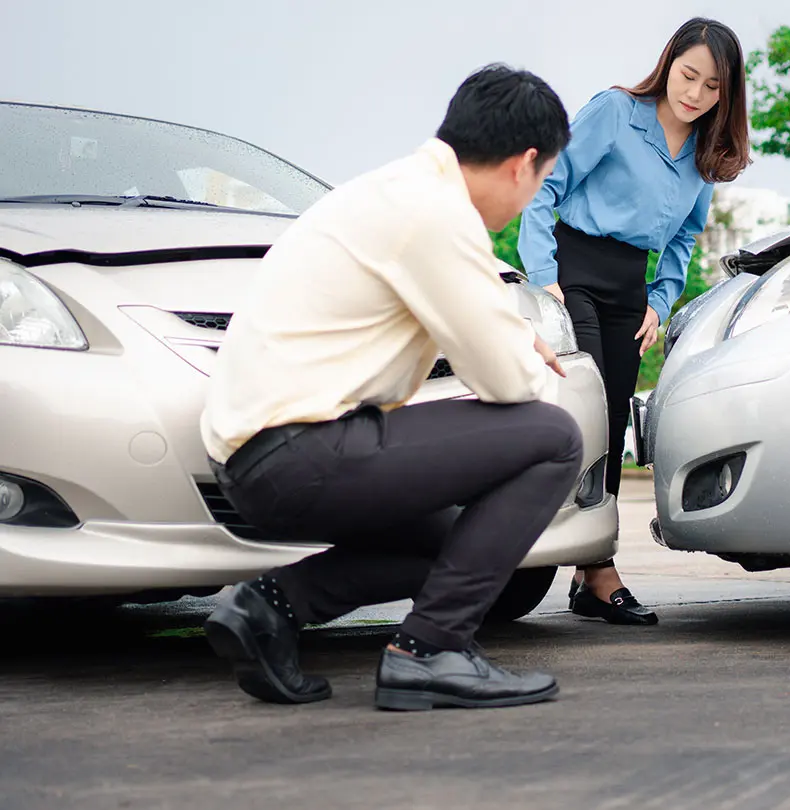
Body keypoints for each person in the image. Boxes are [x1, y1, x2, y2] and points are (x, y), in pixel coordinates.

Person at [199, 64, 580, 712]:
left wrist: (503, 327)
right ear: (524, 164)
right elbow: (510, 381)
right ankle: (430, 652)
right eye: (542, 182)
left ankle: (268, 608)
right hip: (298, 451)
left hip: (262, 456)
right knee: (553, 439)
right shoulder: (435, 216)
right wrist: (517, 338)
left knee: (457, 548)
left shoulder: (401, 192)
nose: (530, 197)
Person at [517, 17, 751, 626]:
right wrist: (545, 277)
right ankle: (597, 568)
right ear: (669, 63)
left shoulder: (705, 157)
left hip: (628, 289)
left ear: (727, 95)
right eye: (687, 74)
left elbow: (683, 243)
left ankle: (589, 571)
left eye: (711, 86)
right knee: (586, 410)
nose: (694, 93)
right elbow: (545, 183)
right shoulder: (616, 112)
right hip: (573, 271)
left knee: (614, 419)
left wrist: (659, 300)